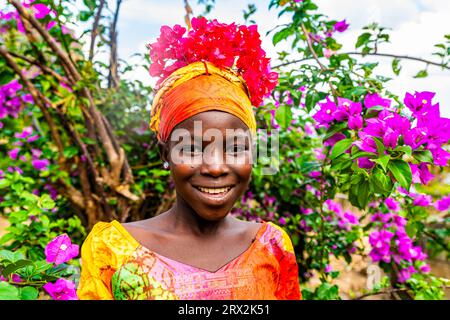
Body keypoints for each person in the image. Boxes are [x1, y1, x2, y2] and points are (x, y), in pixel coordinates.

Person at [77, 17, 301, 300]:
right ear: (165, 154)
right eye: (193, 149)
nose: (216, 167)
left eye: (234, 148)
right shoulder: (113, 251)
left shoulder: (272, 247)